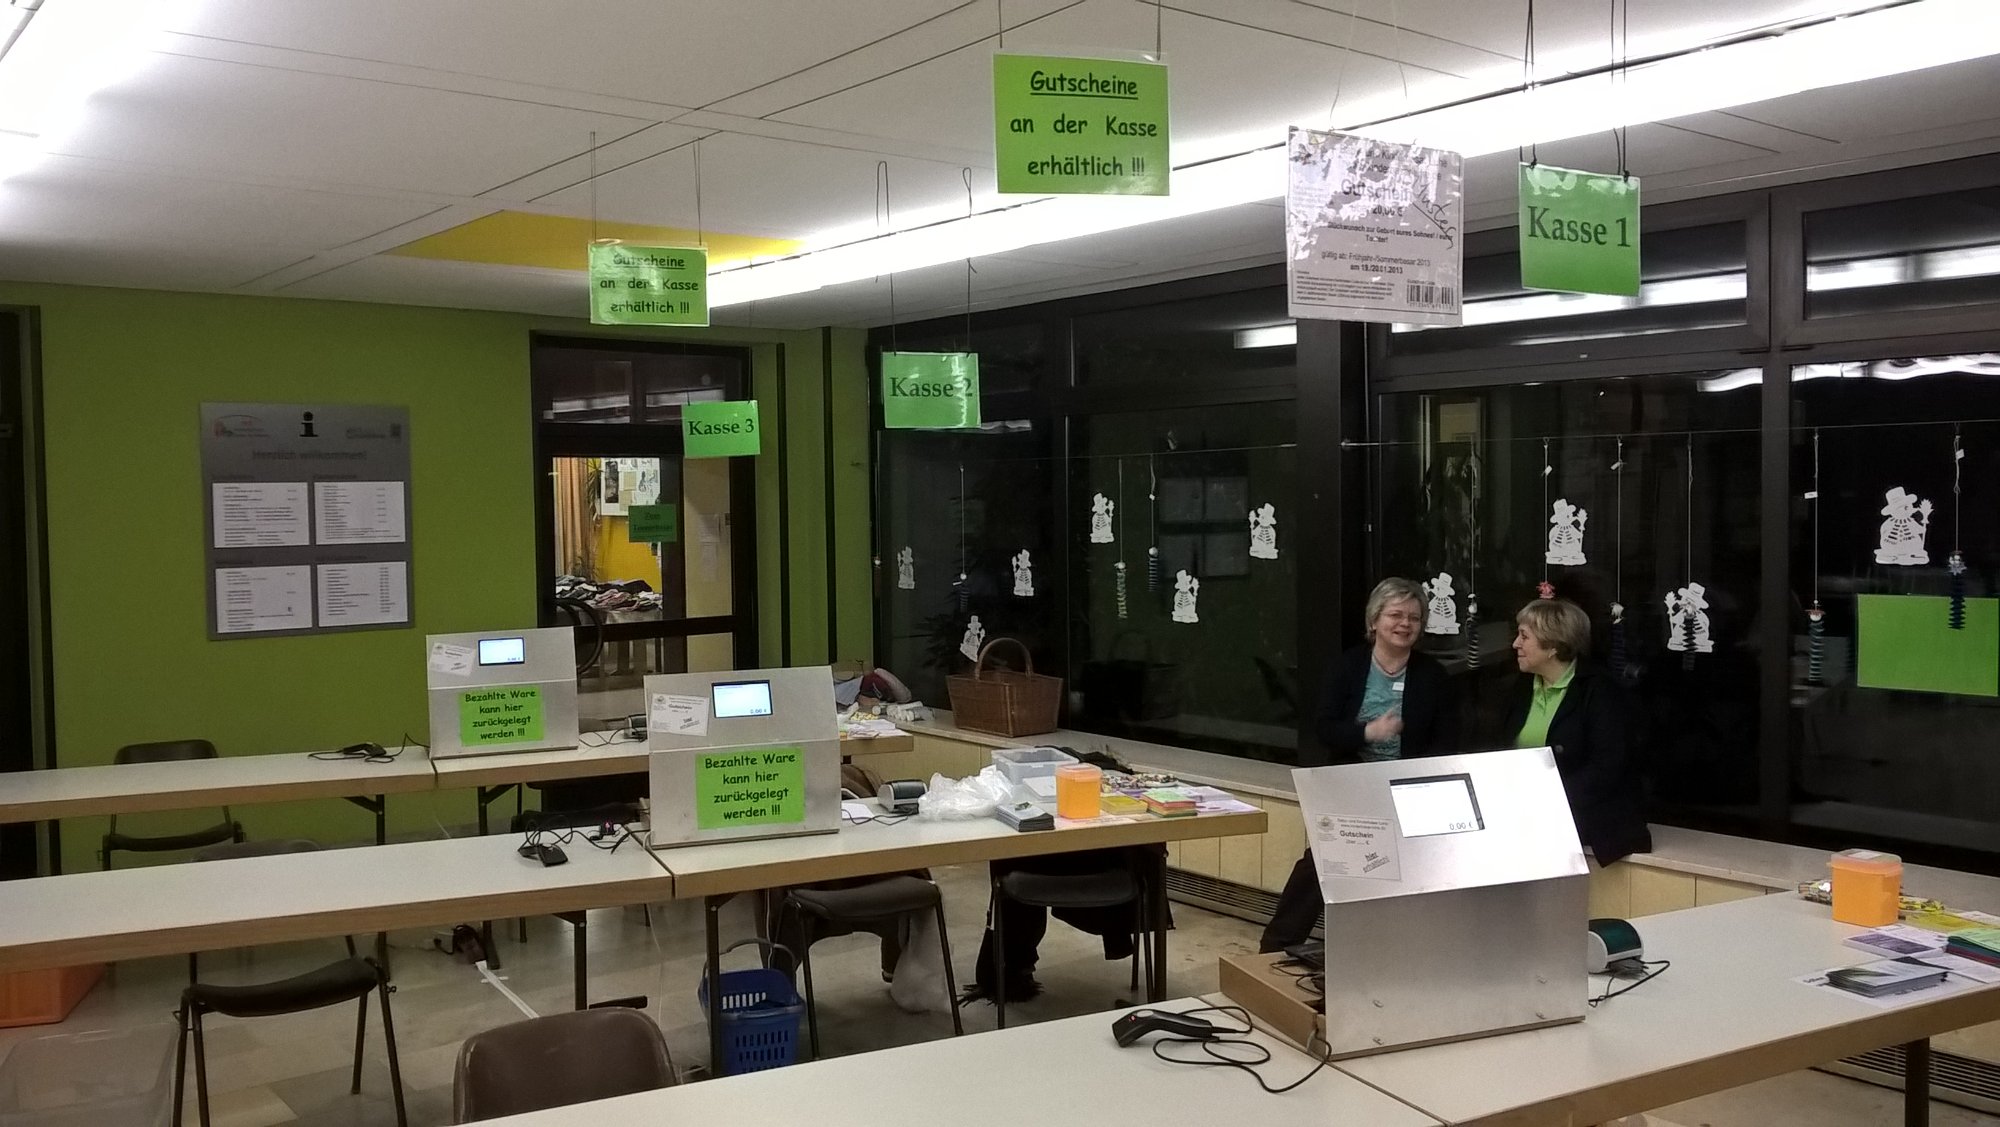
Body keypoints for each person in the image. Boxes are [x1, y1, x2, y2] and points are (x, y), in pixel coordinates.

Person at [1259, 577, 1462, 952]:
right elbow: (1324, 728)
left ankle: (1393, 951)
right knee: (1322, 862)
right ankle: (1274, 948)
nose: (1405, 624)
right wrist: (1368, 733)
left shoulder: (1433, 676)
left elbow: (1447, 740)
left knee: (1411, 871)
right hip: (1354, 782)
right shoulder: (1348, 667)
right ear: (1374, 620)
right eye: (1396, 615)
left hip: (1411, 789)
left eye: (1414, 617)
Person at [1502, 598, 1651, 865]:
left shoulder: (1600, 691)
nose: (1515, 644)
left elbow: (1606, 767)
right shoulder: (1524, 686)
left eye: (1524, 636)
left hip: (1583, 822)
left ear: (1553, 645)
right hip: (1523, 818)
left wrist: (1545, 799)